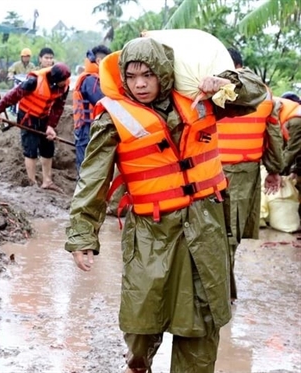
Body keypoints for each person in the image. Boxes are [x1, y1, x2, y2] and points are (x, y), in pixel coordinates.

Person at [65, 38, 268, 373]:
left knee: (202, 321)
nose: (140, 83)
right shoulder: (113, 115)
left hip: (205, 226)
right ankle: (137, 363)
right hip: (151, 232)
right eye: (131, 76)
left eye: (148, 74)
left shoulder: (201, 98)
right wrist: (82, 235)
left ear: (163, 72)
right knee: (142, 323)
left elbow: (256, 94)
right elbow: (93, 180)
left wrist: (227, 83)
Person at [216, 48, 284, 302]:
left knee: (218, 233)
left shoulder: (214, 91)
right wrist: (274, 170)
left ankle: (222, 294)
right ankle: (223, 294)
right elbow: (274, 136)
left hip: (209, 170)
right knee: (229, 235)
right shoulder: (265, 93)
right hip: (245, 172)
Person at [0, 63, 71, 191]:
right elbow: (14, 95)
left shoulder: (64, 86)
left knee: (48, 147)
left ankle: (47, 181)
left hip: (44, 117)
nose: (65, 83)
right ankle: (32, 183)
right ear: (55, 80)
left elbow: (58, 107)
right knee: (31, 148)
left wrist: (51, 126)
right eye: (63, 81)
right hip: (28, 117)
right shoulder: (34, 81)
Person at [72, 45, 112, 176]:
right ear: (100, 61)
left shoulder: (97, 78)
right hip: (86, 129)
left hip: (93, 127)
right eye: (108, 60)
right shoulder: (90, 80)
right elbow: (102, 101)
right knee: (86, 168)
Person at [278, 92, 301, 174]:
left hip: (296, 119)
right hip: (295, 119)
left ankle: (278, 172)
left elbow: (291, 150)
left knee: (291, 149)